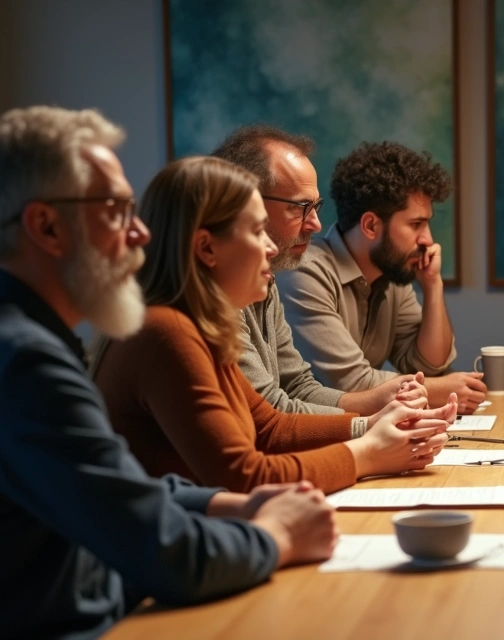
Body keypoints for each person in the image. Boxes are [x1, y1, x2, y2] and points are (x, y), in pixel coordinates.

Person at [0, 105, 338, 638]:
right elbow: (164, 552)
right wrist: (276, 537)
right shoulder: (25, 363)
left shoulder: (39, 342)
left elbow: (124, 487)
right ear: (45, 225)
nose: (139, 234)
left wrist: (234, 504)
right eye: (115, 210)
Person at [92, 155, 454, 494]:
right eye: (256, 231)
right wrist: (367, 453)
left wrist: (370, 426)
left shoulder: (198, 322)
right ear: (206, 249)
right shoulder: (168, 332)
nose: (270, 247)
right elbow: (245, 475)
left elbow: (270, 427)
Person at [211, 125, 426, 420]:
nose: (314, 223)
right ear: (246, 206)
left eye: (316, 206)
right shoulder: (212, 294)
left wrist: (379, 401)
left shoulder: (267, 279)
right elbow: (269, 415)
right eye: (301, 207)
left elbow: (298, 386)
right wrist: (368, 425)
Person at [278, 141, 487, 413]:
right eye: (416, 224)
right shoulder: (306, 272)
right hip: (314, 438)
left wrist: (433, 285)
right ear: (370, 225)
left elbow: (428, 365)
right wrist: (442, 390)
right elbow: (352, 383)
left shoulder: (390, 273)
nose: (428, 240)